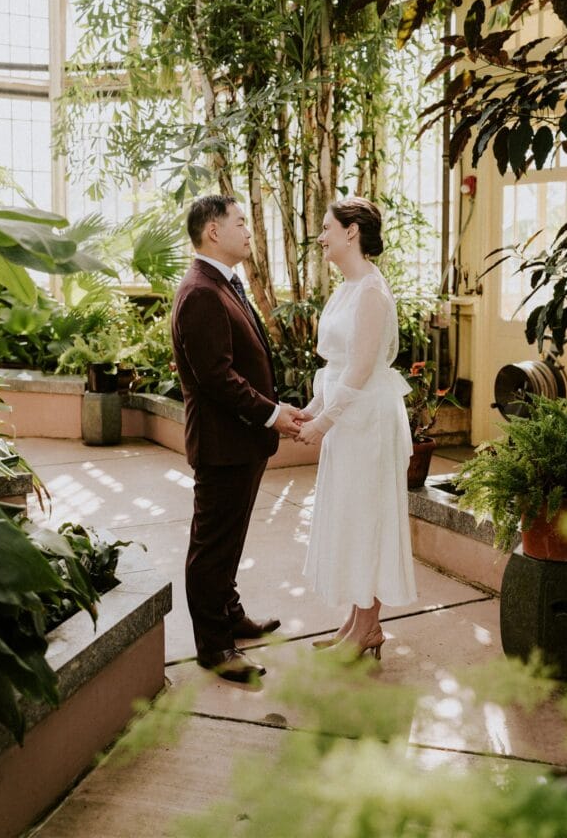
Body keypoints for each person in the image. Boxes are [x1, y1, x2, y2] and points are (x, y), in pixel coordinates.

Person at [171, 195, 306, 683]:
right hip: (223, 445)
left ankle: (230, 615)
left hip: (241, 443)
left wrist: (273, 411)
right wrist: (273, 415)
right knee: (211, 547)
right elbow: (216, 377)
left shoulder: (222, 282)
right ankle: (214, 647)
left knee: (229, 540)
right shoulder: (201, 292)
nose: (249, 230)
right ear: (213, 231)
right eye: (241, 222)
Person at [297, 196, 417, 659]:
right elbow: (338, 364)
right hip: (349, 420)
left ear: (352, 232)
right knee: (349, 517)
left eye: (327, 227)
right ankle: (354, 623)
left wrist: (325, 422)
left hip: (366, 422)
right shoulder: (347, 287)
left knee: (368, 519)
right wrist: (312, 409)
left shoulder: (371, 290)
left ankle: (368, 627)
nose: (322, 236)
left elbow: (362, 367)